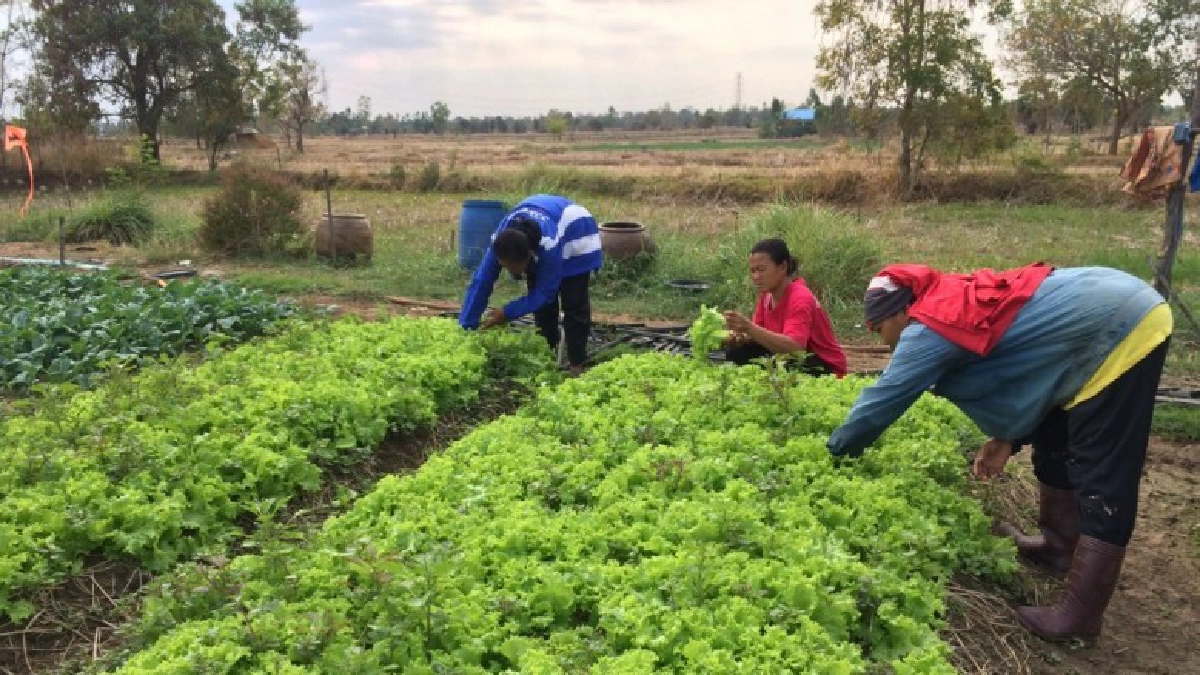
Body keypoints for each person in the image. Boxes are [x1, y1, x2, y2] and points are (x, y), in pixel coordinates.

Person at [827, 262, 1171, 644]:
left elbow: (881, 403)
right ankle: (1057, 546)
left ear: (900, 312)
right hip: (1104, 307)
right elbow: (1027, 365)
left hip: (1124, 322)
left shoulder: (927, 329)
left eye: (878, 327)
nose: (879, 339)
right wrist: (1008, 437)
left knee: (1103, 469)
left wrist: (833, 455)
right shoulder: (949, 302)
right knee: (1054, 437)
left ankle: (1081, 615)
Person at [459, 194, 603, 375]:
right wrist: (467, 327)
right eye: (505, 266)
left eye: (513, 267)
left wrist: (506, 313)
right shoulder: (501, 242)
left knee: (573, 302)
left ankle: (577, 364)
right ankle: (547, 353)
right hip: (547, 219)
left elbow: (545, 293)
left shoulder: (548, 246)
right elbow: (482, 281)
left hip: (576, 233)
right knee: (543, 311)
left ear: (529, 256)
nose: (510, 271)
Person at [721, 238, 847, 377]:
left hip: (823, 366)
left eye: (762, 270)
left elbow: (795, 348)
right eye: (753, 271)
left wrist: (749, 328)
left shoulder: (799, 297)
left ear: (782, 267)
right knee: (738, 352)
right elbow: (759, 337)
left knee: (786, 362)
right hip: (788, 355)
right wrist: (740, 336)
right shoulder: (766, 296)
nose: (756, 277)